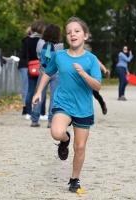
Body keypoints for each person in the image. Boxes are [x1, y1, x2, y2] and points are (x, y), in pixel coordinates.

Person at [32, 16, 101, 192]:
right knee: (56, 132)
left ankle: (74, 179)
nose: (72, 34)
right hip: (63, 102)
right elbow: (48, 72)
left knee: (80, 147)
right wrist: (39, 92)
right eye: (69, 32)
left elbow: (97, 86)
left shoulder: (91, 60)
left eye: (77, 31)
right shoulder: (59, 55)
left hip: (83, 107)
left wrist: (84, 75)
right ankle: (65, 139)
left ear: (85, 35)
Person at [30, 24, 64, 128]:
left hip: (43, 72)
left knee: (39, 94)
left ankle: (34, 119)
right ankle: (51, 121)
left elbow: (38, 55)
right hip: (56, 72)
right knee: (54, 97)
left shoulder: (41, 42)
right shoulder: (60, 45)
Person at [22, 20, 48, 120]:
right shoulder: (43, 41)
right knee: (42, 90)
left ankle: (28, 112)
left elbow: (24, 55)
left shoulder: (28, 40)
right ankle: (41, 113)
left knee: (30, 90)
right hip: (41, 67)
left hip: (31, 66)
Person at [84, 43, 110, 115]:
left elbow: (100, 64)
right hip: (83, 80)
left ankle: (103, 105)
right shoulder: (79, 57)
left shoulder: (92, 58)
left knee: (96, 94)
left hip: (92, 80)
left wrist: (105, 70)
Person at [18, 27, 31, 115]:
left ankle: (26, 106)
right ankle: (25, 106)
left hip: (26, 65)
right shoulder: (28, 41)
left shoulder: (26, 40)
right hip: (26, 65)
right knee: (27, 86)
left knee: (28, 86)